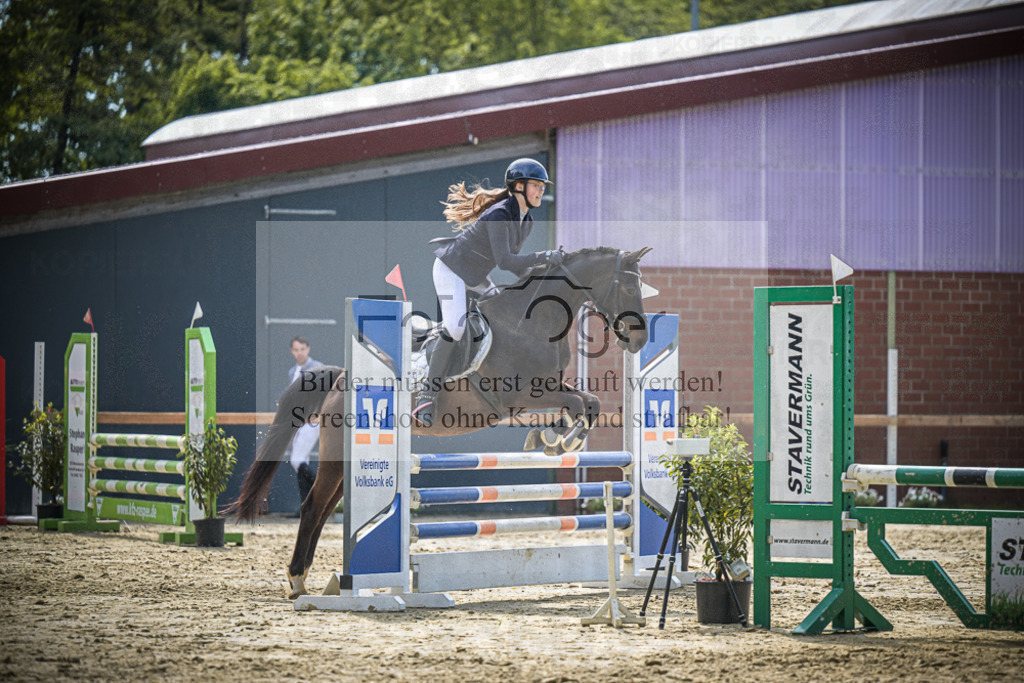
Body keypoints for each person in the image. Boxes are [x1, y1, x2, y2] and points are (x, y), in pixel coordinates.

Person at [412, 158, 562, 427]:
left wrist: (544, 281)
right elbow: (505, 261)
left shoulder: (525, 220)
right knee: (456, 328)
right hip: (451, 270)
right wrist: (544, 255)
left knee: (503, 319)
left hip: (475, 275)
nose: (541, 191)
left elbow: (517, 268)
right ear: (519, 186)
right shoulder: (500, 214)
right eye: (536, 185)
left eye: (542, 186)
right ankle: (427, 392)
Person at [286, 336, 323, 506]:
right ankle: (306, 505)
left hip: (311, 420)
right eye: (296, 350)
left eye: (302, 349)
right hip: (297, 421)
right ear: (292, 351)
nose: (299, 353)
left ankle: (321, 491)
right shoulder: (292, 371)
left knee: (296, 460)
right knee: (301, 461)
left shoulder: (316, 368)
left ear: (308, 349)